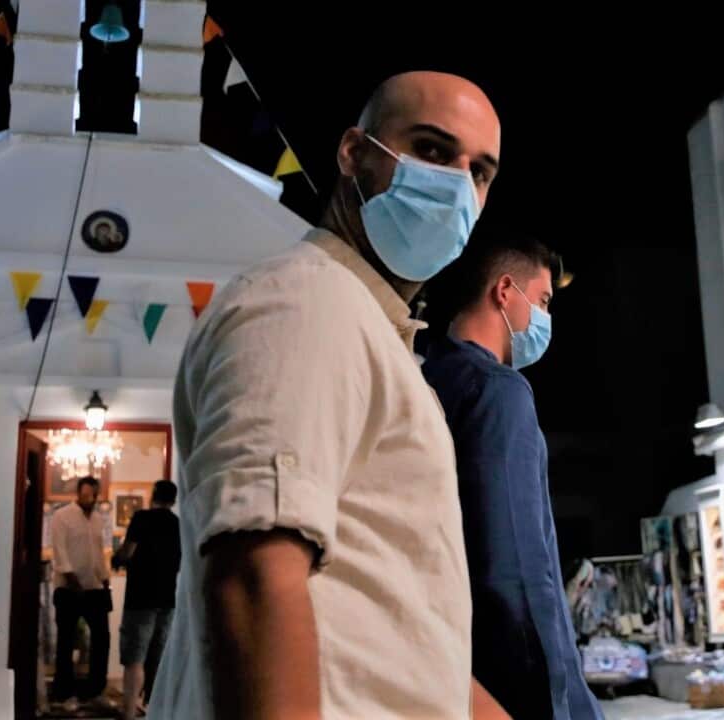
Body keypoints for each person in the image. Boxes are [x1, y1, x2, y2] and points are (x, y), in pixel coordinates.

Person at [147, 71, 510, 720]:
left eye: (479, 171)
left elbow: (406, 638)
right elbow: (255, 576)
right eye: (431, 150)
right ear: (354, 153)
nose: (458, 184)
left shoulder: (374, 335)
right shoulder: (308, 302)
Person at [421, 233, 602, 719]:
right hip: (511, 683)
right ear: (504, 291)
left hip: (452, 668)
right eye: (542, 301)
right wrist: (562, 699)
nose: (545, 318)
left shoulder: (426, 379)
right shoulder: (499, 392)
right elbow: (516, 569)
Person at [112, 479, 181, 720]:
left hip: (140, 597)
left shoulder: (141, 518)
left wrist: (117, 558)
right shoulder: (178, 524)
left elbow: (128, 552)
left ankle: (129, 711)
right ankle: (154, 710)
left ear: (153, 496)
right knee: (158, 657)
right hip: (167, 598)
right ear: (174, 500)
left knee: (134, 657)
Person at [49, 476, 114, 712]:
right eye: (86, 495)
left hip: (94, 588)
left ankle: (95, 690)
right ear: (78, 493)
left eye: (94, 495)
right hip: (68, 589)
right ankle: (64, 693)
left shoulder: (97, 519)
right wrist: (71, 578)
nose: (91, 499)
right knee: (66, 642)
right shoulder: (62, 516)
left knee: (102, 640)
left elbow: (97, 552)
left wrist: (105, 578)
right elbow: (60, 550)